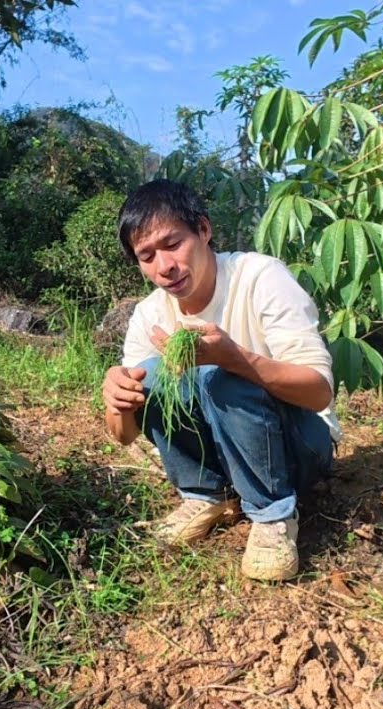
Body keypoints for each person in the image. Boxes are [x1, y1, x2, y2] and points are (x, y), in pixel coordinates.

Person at [100, 179, 341, 582]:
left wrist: (239, 360)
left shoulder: (259, 277)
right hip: (226, 453)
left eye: (173, 243)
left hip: (300, 447)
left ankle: (273, 515)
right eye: (147, 256)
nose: (164, 267)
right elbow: (123, 436)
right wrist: (117, 398)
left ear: (204, 230)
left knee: (219, 376)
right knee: (154, 373)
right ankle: (206, 494)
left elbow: (318, 392)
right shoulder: (149, 315)